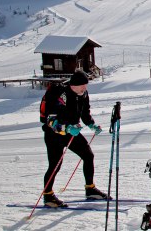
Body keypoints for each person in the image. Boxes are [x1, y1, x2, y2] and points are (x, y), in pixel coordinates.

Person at [40, 70, 107, 208]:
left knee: (88, 155)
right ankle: (48, 196)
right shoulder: (61, 95)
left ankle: (90, 188)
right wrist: (67, 128)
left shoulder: (83, 94)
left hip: (72, 132)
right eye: (82, 85)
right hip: (54, 135)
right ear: (74, 85)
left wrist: (92, 124)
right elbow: (50, 120)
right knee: (55, 165)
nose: (85, 88)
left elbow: (85, 112)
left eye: (86, 85)